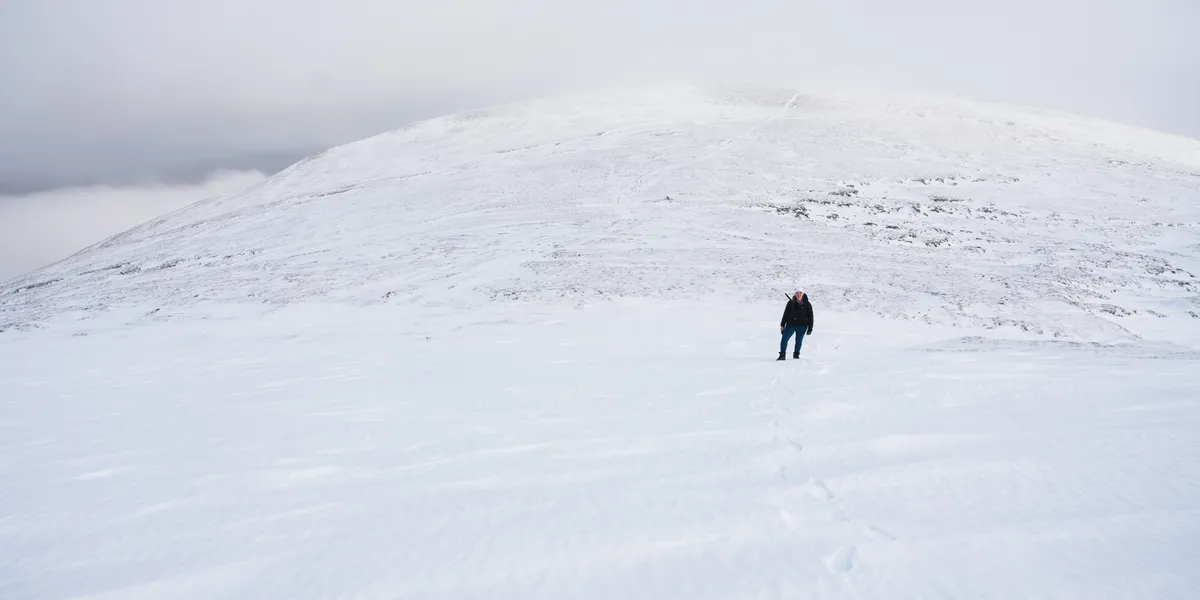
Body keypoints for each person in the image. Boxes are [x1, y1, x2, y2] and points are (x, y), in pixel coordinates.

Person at [778, 286, 813, 360]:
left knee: (798, 340)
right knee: (784, 339)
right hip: (791, 324)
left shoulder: (807, 304)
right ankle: (782, 355)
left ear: (803, 294)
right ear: (795, 294)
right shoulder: (790, 303)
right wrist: (782, 325)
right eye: (797, 293)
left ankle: (796, 355)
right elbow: (786, 314)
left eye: (800, 293)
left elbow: (811, 316)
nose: (799, 294)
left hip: (802, 326)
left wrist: (810, 328)